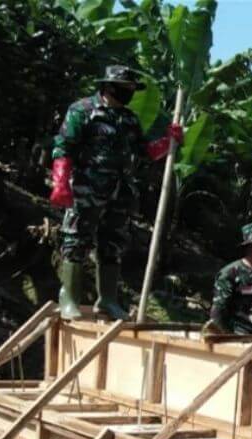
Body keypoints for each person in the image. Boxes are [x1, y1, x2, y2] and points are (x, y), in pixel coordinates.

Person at [49, 65, 183, 320]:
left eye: (132, 90)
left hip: (119, 192)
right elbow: (64, 146)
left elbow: (145, 152)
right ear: (109, 87)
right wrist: (60, 182)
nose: (130, 93)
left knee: (112, 245)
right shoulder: (83, 111)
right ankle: (69, 299)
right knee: (76, 240)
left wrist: (169, 141)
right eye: (125, 89)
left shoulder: (129, 119)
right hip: (87, 188)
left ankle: (107, 300)